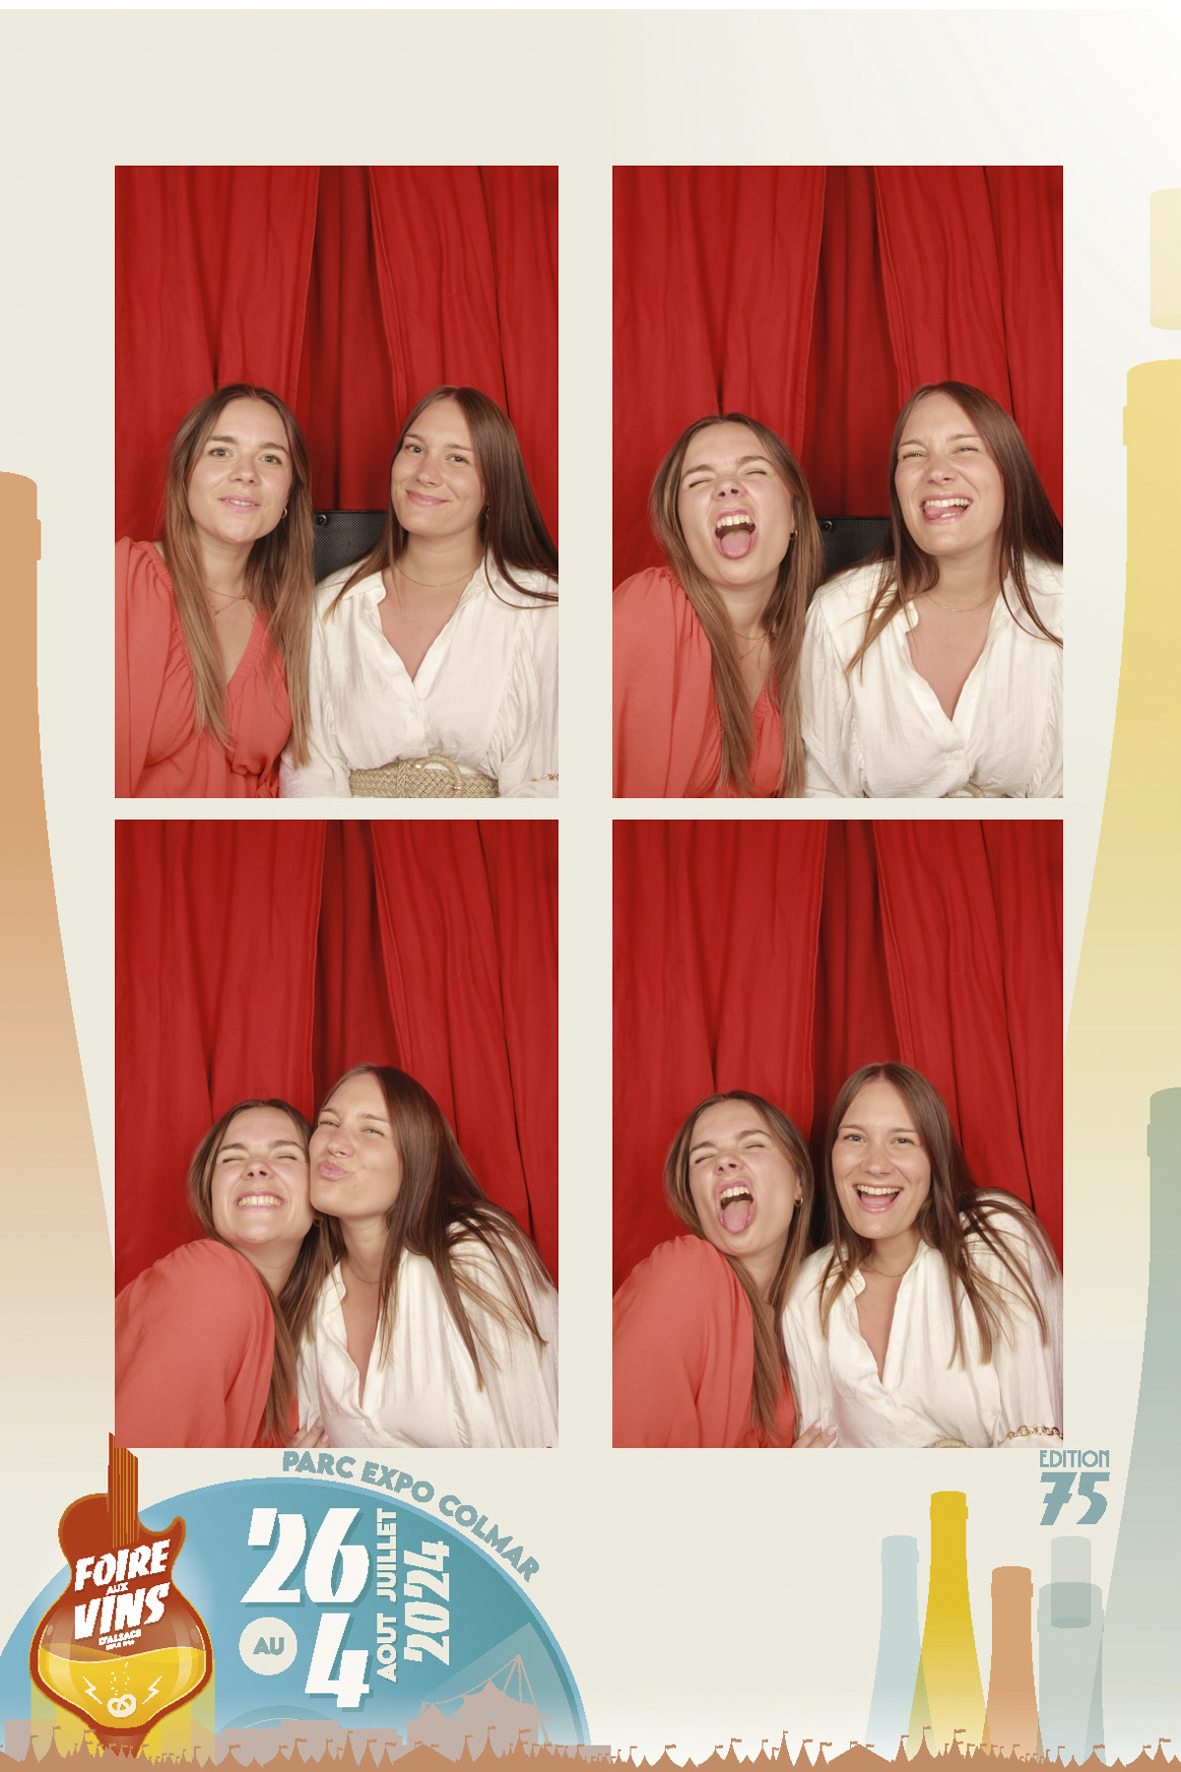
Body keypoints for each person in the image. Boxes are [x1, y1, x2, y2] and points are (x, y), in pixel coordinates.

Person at [280, 387, 557, 799]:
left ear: (494, 487)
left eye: (458, 458)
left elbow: (551, 781)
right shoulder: (330, 607)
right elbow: (309, 770)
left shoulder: (542, 610)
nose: (426, 473)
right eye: (415, 449)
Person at [800, 381, 1063, 797]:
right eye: (914, 455)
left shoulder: (1070, 607)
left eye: (965, 448)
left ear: (1010, 473)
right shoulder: (838, 615)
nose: (937, 471)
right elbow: (821, 790)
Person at [782, 1063, 1063, 1448]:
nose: (874, 1164)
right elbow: (820, 1456)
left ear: (935, 1157)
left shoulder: (995, 1238)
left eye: (902, 1140)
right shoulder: (808, 1289)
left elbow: (1039, 1445)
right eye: (855, 1138)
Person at [296, 1066, 557, 1446]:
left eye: (371, 1130)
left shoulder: (473, 1256)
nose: (336, 1142)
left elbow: (536, 1440)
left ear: (416, 1158)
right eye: (328, 1123)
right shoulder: (315, 1298)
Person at [116, 385, 315, 797]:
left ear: (289, 497)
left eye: (270, 458)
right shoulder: (118, 578)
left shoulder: (296, 619)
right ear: (184, 473)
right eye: (221, 451)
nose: (246, 473)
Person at [613, 414, 823, 797]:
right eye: (699, 480)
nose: (727, 486)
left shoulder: (816, 638)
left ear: (794, 515)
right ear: (680, 527)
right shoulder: (649, 609)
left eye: (754, 471)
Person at [613, 1091, 835, 1448]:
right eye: (703, 1157)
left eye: (753, 1145)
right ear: (694, 1200)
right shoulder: (686, 1274)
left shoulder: (805, 1316)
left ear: (799, 1182)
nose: (725, 1161)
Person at [116, 1100, 322, 1448]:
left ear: (320, 1196)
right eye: (232, 1158)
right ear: (209, 1194)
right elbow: (125, 1477)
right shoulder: (213, 1278)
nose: (256, 1167)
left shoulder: (295, 1339)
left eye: (285, 1155)